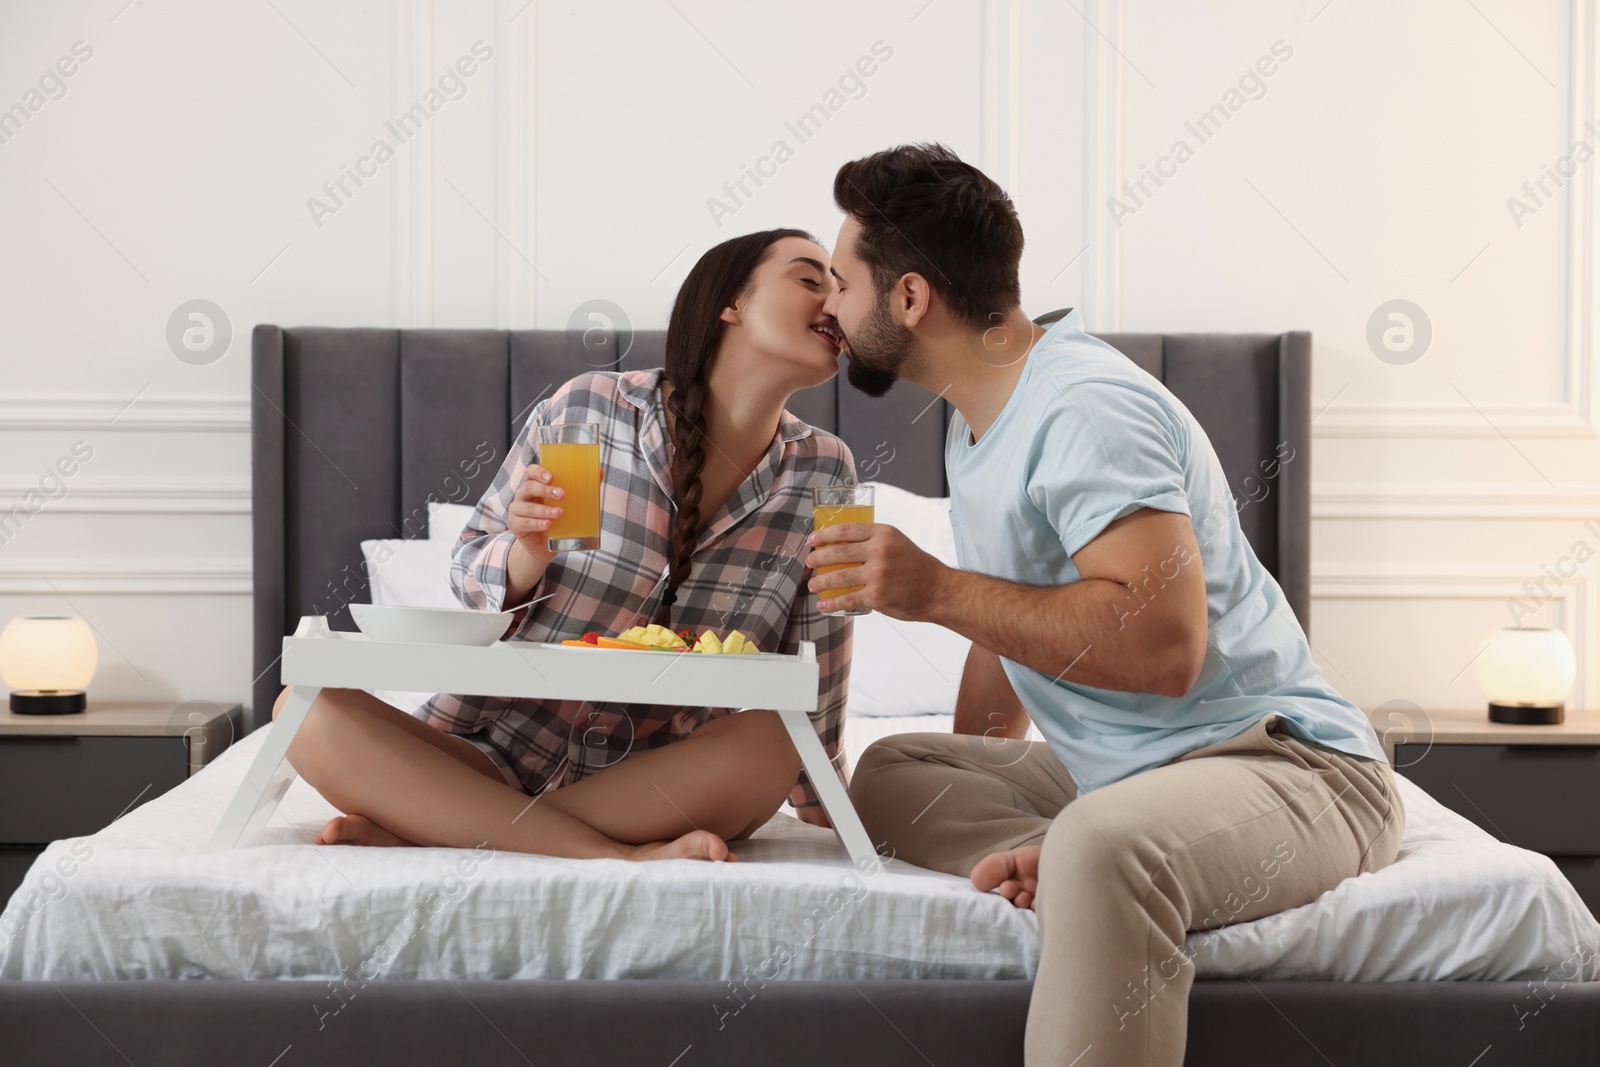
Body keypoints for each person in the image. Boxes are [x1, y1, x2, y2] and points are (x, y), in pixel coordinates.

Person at [813, 144, 1404, 1067]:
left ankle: (1093, 858)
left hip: (1290, 766)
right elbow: (1005, 619)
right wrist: (980, 745)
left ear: (912, 298)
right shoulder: (980, 421)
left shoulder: (1083, 408)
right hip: (1131, 777)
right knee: (892, 776)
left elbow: (1163, 648)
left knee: (1097, 846)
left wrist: (932, 590)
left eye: (843, 282)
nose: (829, 308)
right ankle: (1088, 853)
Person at [272, 228, 856, 864]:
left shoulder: (826, 473)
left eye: (841, 286)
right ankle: (610, 853)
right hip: (488, 750)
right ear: (731, 303)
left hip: (660, 786)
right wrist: (528, 553)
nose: (835, 301)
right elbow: (469, 572)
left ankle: (437, 824)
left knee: (776, 738)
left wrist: (825, 808)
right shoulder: (593, 412)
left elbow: (818, 650)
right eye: (810, 279)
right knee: (304, 711)